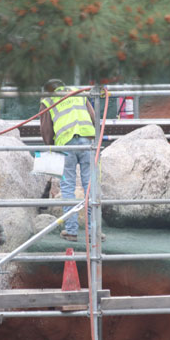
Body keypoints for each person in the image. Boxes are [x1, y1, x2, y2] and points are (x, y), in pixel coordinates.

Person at [40, 79, 96, 242]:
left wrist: (51, 147)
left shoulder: (47, 100)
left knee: (68, 187)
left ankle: (71, 231)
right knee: (90, 186)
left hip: (66, 143)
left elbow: (46, 130)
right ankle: (93, 231)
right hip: (86, 140)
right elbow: (93, 116)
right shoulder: (77, 92)